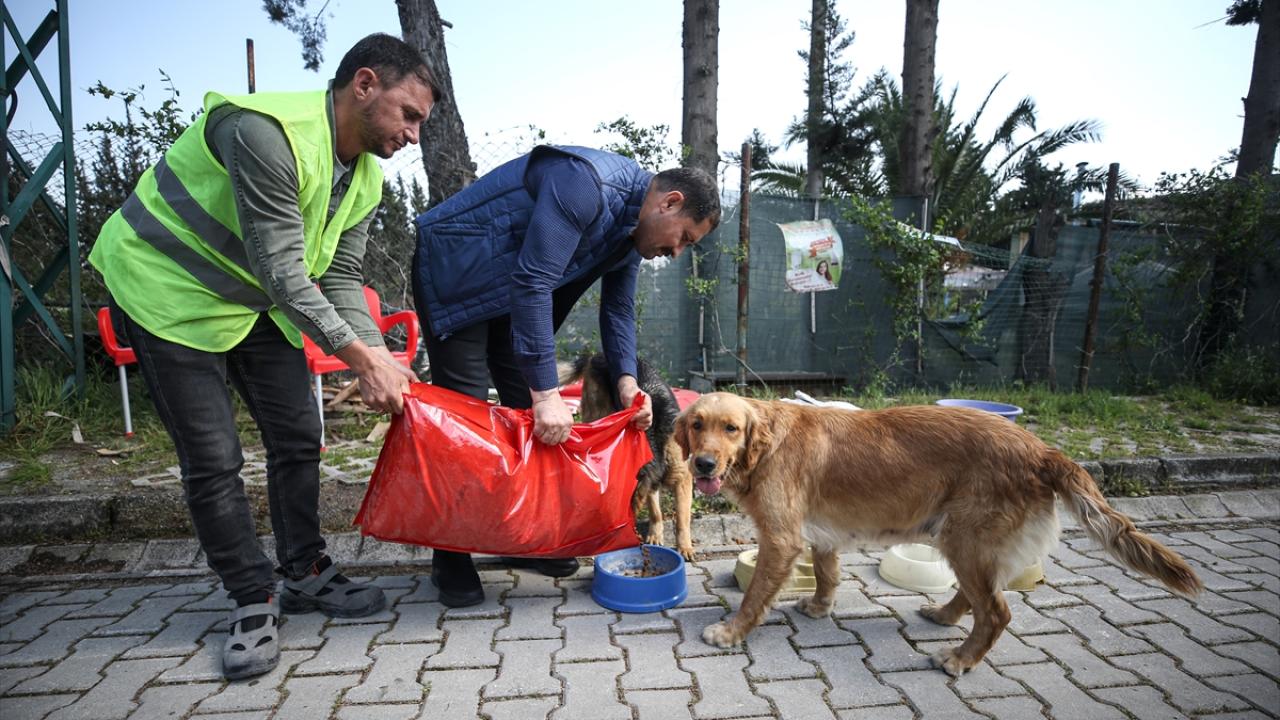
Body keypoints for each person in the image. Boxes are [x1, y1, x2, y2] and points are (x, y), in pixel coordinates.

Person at [87, 33, 440, 680]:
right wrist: (362, 361)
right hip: (167, 290)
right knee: (214, 457)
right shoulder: (264, 133)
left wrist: (378, 353)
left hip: (250, 301)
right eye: (409, 115)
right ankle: (252, 596)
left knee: (299, 435)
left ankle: (303, 568)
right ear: (364, 85)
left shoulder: (364, 177)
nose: (415, 136)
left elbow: (340, 274)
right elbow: (283, 271)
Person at [412, 146, 720, 607]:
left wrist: (627, 382)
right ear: (669, 203)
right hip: (458, 271)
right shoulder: (585, 186)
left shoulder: (631, 230)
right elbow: (534, 281)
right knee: (465, 420)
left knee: (527, 418)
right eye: (684, 239)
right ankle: (450, 556)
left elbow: (617, 311)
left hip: (510, 291)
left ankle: (523, 538)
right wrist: (546, 394)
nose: (676, 253)